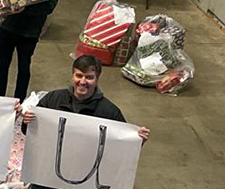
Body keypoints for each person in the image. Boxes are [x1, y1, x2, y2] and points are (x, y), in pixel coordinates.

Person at [22, 55, 151, 189]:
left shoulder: (109, 112)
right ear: (73, 76)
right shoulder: (53, 99)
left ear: (97, 79)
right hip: (48, 175)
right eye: (79, 76)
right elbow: (30, 134)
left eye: (89, 77)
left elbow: (122, 150)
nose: (83, 81)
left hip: (86, 180)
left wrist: (138, 141)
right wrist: (28, 122)